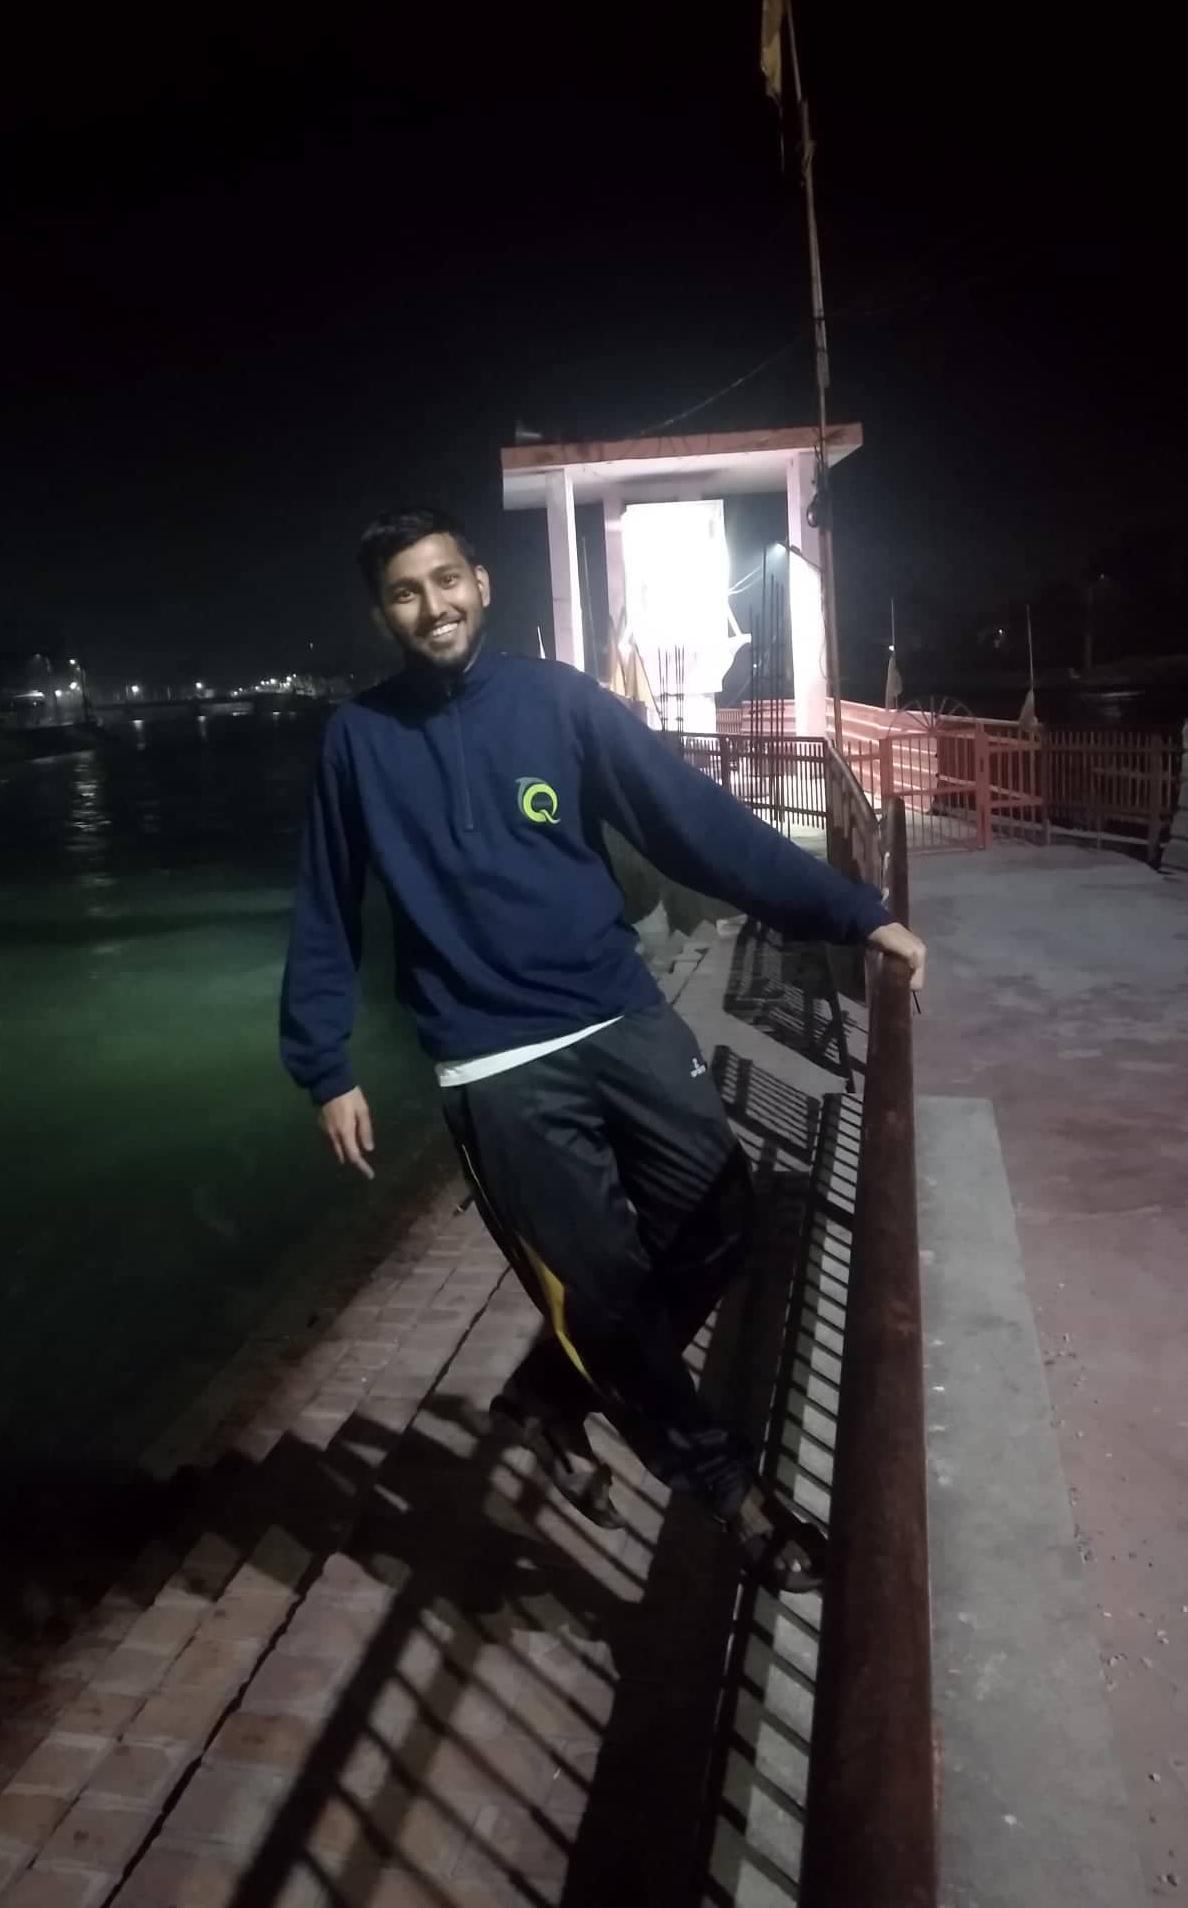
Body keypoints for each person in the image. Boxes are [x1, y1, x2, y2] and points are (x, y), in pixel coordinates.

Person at [280, 506, 926, 1587]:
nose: (433, 606)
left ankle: (552, 1393)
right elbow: (325, 904)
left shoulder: (561, 702)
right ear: (383, 613)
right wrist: (324, 1062)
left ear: (481, 583)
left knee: (719, 1222)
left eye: (446, 580)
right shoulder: (359, 740)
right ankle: (731, 1493)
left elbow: (692, 822)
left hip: (617, 1012)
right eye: (405, 592)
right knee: (603, 1290)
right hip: (494, 1064)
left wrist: (852, 912)